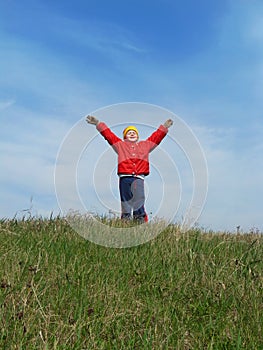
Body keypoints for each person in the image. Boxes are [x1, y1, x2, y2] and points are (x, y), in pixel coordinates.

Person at [86, 115, 173, 223]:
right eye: (129, 132)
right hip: (125, 178)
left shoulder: (145, 145)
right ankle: (125, 222)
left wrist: (164, 127)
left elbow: (156, 137)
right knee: (126, 201)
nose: (132, 133)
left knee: (139, 200)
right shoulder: (120, 145)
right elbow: (109, 135)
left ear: (137, 136)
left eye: (134, 132)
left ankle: (140, 221)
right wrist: (98, 124)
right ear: (124, 137)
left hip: (138, 178)